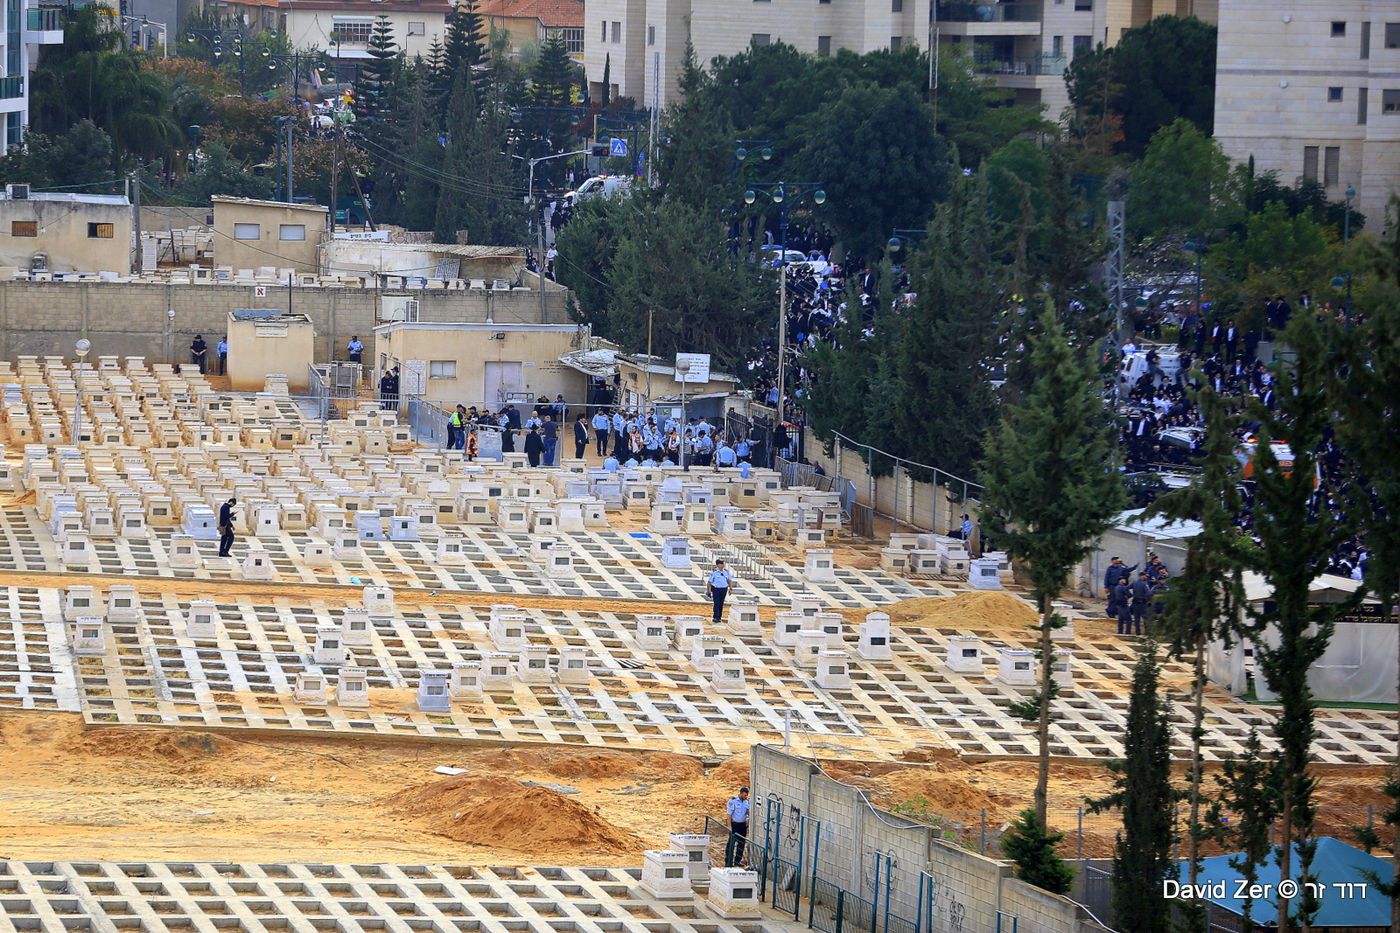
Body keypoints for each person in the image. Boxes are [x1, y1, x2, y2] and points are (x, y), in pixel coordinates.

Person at [724, 786, 751, 867]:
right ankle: (728, 861)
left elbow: (748, 813)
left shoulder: (747, 802)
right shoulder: (733, 801)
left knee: (741, 844)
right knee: (731, 844)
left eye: (746, 795)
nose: (746, 797)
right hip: (734, 825)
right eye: (745, 795)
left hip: (742, 825)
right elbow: (729, 815)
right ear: (741, 793)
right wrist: (729, 826)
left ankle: (737, 861)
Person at [706, 559, 733, 625]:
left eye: (723, 564)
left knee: (721, 603)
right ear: (718, 565)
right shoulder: (714, 572)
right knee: (716, 603)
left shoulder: (726, 572)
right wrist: (708, 591)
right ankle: (715, 617)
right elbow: (709, 582)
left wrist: (731, 589)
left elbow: (729, 580)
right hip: (716, 589)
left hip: (724, 589)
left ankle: (719, 617)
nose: (723, 565)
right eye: (722, 564)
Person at [1129, 572, 1153, 636]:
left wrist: (1130, 595)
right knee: (1145, 618)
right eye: (1145, 576)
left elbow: (1126, 588)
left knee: (1137, 619)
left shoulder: (1134, 583)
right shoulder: (1144, 584)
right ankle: (1147, 632)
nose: (1146, 577)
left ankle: (1137, 632)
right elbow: (1148, 593)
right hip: (1142, 604)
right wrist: (1149, 600)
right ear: (1141, 576)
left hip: (1135, 603)